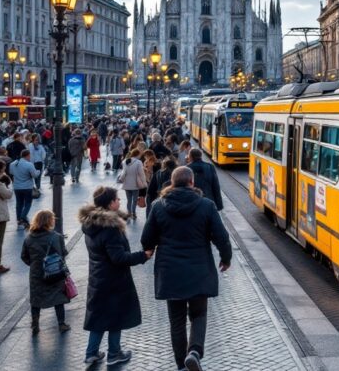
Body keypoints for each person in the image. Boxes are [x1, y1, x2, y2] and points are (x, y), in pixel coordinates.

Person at [141, 167, 232, 371]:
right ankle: (195, 352)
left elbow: (146, 239)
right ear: (192, 182)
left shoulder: (158, 206)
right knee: (199, 314)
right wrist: (226, 259)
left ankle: (181, 364)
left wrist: (149, 249)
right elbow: (222, 238)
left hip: (170, 272)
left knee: (177, 319)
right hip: (199, 270)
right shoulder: (206, 206)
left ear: (172, 183)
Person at [79, 186, 152, 368]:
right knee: (115, 317)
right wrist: (143, 256)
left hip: (97, 278)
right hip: (114, 281)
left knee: (99, 317)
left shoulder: (91, 225)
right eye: (117, 199)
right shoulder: (110, 229)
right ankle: (114, 353)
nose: (120, 202)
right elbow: (118, 258)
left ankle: (91, 353)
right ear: (110, 203)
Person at [21, 210, 70, 335]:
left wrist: (34, 265)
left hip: (36, 274)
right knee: (58, 297)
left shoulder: (29, 239)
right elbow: (63, 253)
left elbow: (24, 256)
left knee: (36, 299)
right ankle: (61, 324)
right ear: (50, 221)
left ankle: (35, 325)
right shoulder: (56, 237)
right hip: (55, 272)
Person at [10, 149, 40, 228]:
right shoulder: (29, 164)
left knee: (19, 203)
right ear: (28, 155)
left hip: (17, 187)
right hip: (27, 187)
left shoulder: (13, 164)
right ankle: (23, 216)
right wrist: (38, 171)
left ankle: (18, 219)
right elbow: (34, 175)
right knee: (28, 203)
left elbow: (11, 173)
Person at [118, 149, 147, 221]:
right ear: (137, 154)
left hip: (126, 183)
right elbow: (141, 174)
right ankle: (133, 213)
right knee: (134, 200)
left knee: (129, 200)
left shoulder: (125, 161)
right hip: (135, 184)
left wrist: (121, 179)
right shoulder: (138, 162)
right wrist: (144, 183)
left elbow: (123, 172)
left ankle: (128, 212)